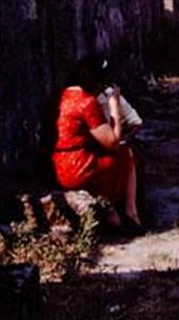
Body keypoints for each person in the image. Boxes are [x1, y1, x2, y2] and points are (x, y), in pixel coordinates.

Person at [51, 56, 141, 230]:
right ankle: (131, 212)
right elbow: (112, 143)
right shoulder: (86, 103)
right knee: (125, 153)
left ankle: (111, 211)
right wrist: (114, 105)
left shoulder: (61, 96)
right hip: (78, 168)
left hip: (58, 164)